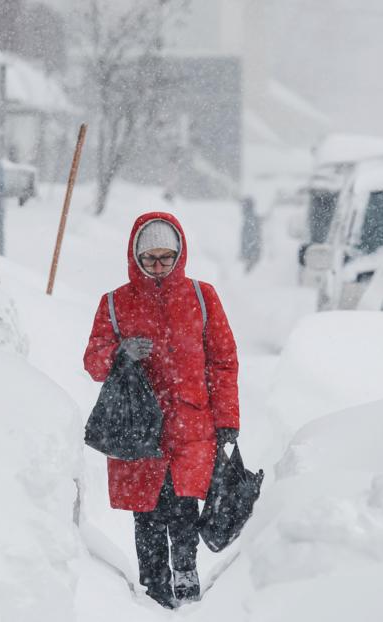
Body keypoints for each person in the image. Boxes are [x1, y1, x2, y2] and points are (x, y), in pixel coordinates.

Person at [83, 212, 240, 609]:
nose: (157, 267)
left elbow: (223, 361)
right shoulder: (115, 303)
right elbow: (93, 361)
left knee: (184, 500)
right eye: (149, 259)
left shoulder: (202, 298)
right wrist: (120, 352)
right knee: (147, 507)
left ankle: (186, 571)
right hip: (138, 425)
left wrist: (226, 422)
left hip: (192, 421)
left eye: (165, 258)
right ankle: (153, 586)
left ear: (179, 255)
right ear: (135, 257)